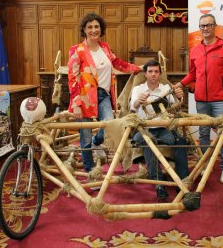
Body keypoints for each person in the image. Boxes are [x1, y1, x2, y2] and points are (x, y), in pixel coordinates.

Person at [67, 13, 141, 175]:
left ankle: (97, 142)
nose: (94, 30)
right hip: (85, 98)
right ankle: (90, 170)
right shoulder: (77, 50)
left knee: (109, 125)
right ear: (84, 30)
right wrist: (76, 104)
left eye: (96, 26)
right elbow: (72, 79)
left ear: (101, 29)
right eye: (90, 27)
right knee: (84, 136)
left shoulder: (105, 48)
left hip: (103, 95)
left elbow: (117, 63)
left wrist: (136, 68)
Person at [175, 13, 223, 184]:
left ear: (215, 27)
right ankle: (204, 165)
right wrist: (180, 84)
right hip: (201, 100)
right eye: (202, 26)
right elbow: (192, 74)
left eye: (208, 25)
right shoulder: (195, 50)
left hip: (221, 100)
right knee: (203, 135)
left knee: (222, 134)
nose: (205, 29)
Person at [130, 60, 189, 200]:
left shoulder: (165, 89)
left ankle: (181, 181)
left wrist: (180, 97)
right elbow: (133, 108)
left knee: (181, 141)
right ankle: (159, 184)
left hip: (164, 129)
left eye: (156, 71)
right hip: (143, 129)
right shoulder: (138, 89)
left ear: (160, 74)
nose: (153, 74)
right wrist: (139, 100)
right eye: (150, 71)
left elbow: (176, 107)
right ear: (145, 74)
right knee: (150, 142)